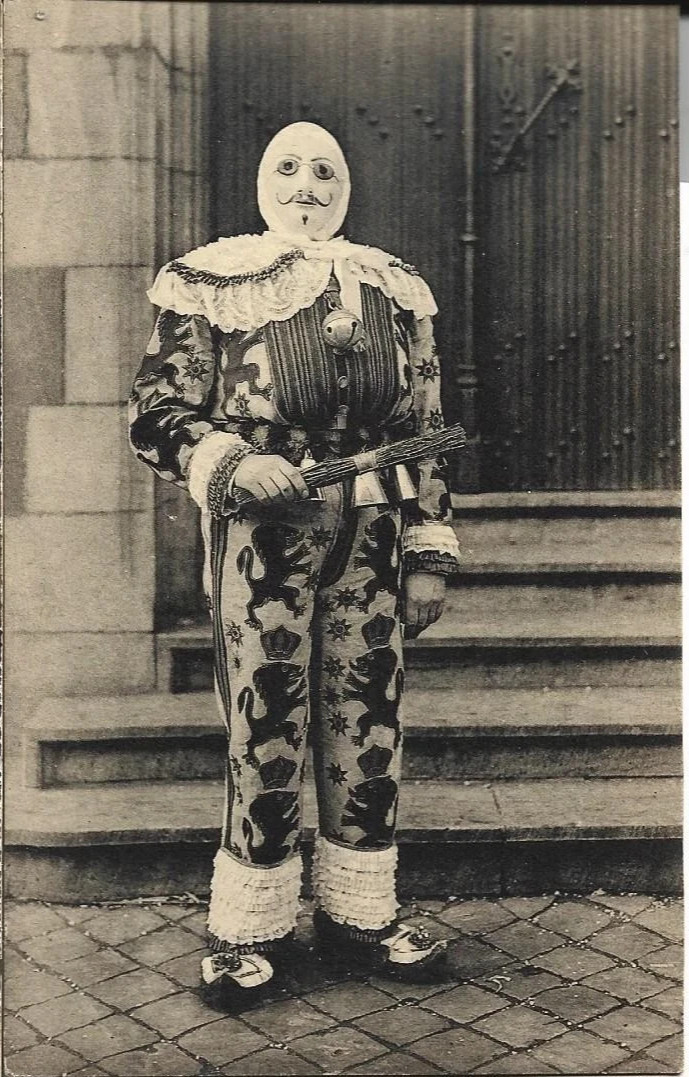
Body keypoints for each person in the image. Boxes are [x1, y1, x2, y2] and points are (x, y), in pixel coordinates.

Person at [129, 122, 460, 993]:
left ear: (344, 184)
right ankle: (249, 928)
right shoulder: (210, 281)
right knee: (267, 716)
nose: (305, 184)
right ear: (260, 179)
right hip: (263, 541)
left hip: (374, 537)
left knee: (367, 712)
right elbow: (156, 413)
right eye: (286, 166)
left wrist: (428, 548)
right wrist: (234, 459)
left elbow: (422, 429)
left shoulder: (393, 287)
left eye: (324, 169)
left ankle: (360, 913)